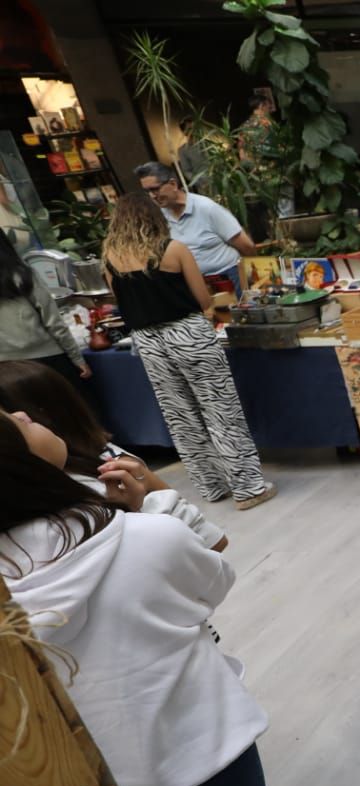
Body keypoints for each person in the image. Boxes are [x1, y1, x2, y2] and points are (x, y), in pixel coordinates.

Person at [0, 411, 358, 786]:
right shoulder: (144, 535)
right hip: (206, 730)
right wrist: (160, 506)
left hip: (112, 758)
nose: (22, 414)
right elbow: (214, 580)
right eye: (13, 420)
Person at [101, 194, 274, 510]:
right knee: (220, 410)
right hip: (187, 332)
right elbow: (203, 300)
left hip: (148, 342)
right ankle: (248, 488)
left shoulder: (110, 258)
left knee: (181, 417)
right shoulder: (174, 249)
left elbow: (122, 303)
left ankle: (211, 486)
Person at [0, 359, 226, 550]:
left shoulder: (106, 472)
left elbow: (210, 542)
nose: (20, 417)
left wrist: (137, 507)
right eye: (11, 422)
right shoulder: (64, 498)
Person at [135, 161, 255, 296]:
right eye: (147, 191)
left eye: (155, 189)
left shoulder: (206, 208)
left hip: (229, 278)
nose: (152, 196)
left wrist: (247, 278)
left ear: (173, 184)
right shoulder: (159, 216)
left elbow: (246, 246)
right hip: (195, 284)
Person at [0, 236, 90, 382]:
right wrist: (77, 358)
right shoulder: (22, 275)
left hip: (6, 369)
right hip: (47, 359)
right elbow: (53, 322)